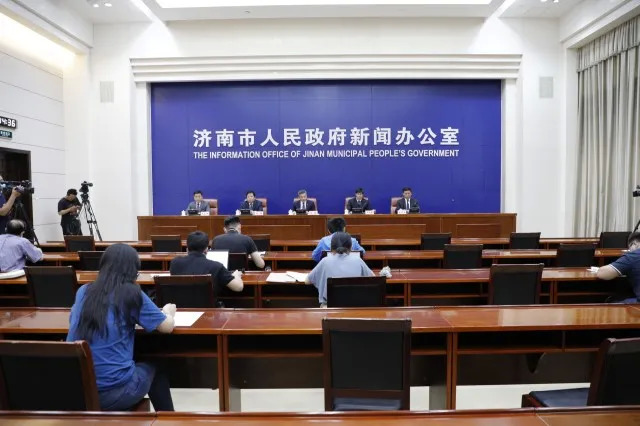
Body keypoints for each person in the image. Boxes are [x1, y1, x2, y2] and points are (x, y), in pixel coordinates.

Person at [66, 244, 176, 411]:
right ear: (132, 271)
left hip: (79, 392)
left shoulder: (84, 290)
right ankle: (168, 419)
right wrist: (168, 312)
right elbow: (166, 327)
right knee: (157, 366)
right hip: (114, 393)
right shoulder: (131, 293)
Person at [305, 232, 374, 307]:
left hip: (329, 308)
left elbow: (307, 281)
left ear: (331, 247)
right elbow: (372, 278)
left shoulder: (325, 261)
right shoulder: (358, 260)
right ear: (351, 247)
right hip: (354, 307)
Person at [171, 230, 244, 293]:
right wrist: (236, 275)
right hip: (207, 305)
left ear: (187, 249)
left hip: (180, 305)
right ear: (206, 250)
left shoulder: (175, 263)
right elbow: (238, 287)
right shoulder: (216, 266)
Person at [597, 232, 640, 303]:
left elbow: (602, 274)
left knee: (612, 301)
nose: (629, 250)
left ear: (634, 244)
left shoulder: (633, 256)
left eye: (629, 248)